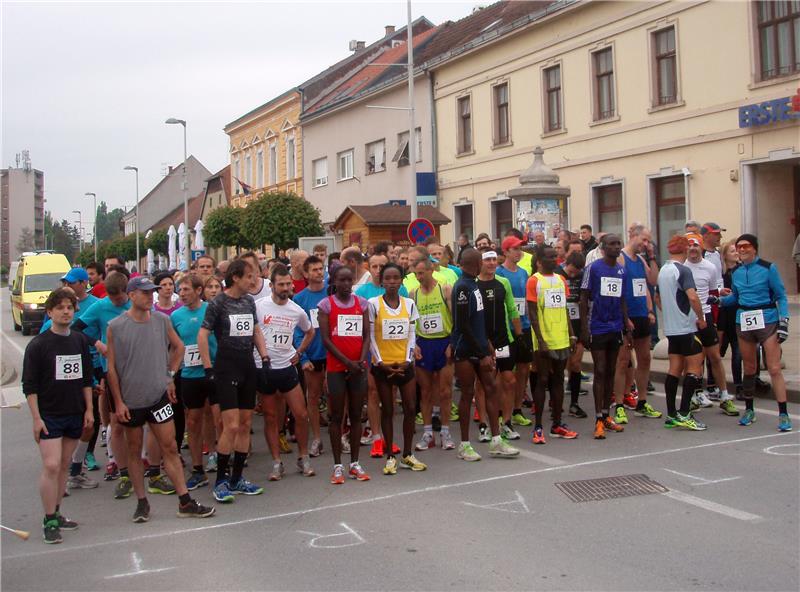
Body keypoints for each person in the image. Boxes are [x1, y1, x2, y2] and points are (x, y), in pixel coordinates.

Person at [106, 276, 215, 522]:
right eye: (144, 292)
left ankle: (185, 501)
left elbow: (179, 348)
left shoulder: (162, 320)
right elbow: (111, 367)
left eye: (151, 292)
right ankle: (142, 502)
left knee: (170, 447)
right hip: (132, 399)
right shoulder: (116, 326)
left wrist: (169, 376)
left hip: (158, 397)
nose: (149, 297)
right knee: (134, 449)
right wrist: (119, 402)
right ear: (132, 295)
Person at [23, 288, 94, 543]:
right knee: (51, 465)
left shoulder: (78, 340)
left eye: (69, 307)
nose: (66, 311)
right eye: (60, 307)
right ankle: (48, 519)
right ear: (50, 312)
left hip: (74, 411)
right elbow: (29, 386)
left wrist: (89, 410)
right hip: (49, 414)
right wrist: (36, 418)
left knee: (64, 465)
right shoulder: (39, 345)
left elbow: (86, 379)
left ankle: (58, 512)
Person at [198, 259, 270, 502]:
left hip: (247, 365)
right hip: (226, 367)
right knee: (230, 424)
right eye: (250, 276)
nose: (254, 281)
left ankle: (238, 478)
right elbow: (203, 334)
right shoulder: (219, 302)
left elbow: (256, 330)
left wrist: (264, 355)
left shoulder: (249, 301)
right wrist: (208, 367)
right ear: (236, 277)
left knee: (245, 422)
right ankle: (221, 480)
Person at [451, 248, 519, 461]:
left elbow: (478, 320)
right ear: (474, 264)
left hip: (481, 347)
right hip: (465, 350)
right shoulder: (462, 287)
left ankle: (496, 440)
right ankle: (464, 445)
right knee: (467, 394)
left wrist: (487, 344)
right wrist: (481, 353)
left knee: (491, 388)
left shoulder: (475, 285)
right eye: (481, 262)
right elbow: (462, 325)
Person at [71, 271, 133, 496]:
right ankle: (120, 467)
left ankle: (150, 467)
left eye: (119, 299)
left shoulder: (136, 303)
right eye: (112, 298)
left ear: (127, 292)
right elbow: (76, 329)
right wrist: (96, 342)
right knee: (117, 421)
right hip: (113, 371)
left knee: (143, 422)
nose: (116, 302)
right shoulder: (99, 307)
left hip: (138, 369)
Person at [721, 234, 791, 432]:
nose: (742, 250)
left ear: (755, 248)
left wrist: (784, 322)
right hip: (744, 320)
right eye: (739, 247)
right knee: (749, 367)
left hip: (767, 318)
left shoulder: (769, 268)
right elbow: (735, 297)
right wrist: (719, 301)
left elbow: (781, 296)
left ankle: (783, 413)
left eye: (746, 246)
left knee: (774, 368)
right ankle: (749, 410)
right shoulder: (737, 272)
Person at [256, 264, 316, 480]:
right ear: (271, 285)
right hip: (264, 368)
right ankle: (276, 462)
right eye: (280, 284)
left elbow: (309, 331)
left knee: (301, 414)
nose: (285, 287)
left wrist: (299, 351)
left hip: (287, 366)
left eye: (288, 284)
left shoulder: (295, 309)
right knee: (271, 417)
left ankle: (303, 458)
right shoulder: (259, 306)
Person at [368, 263, 427, 474]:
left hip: (405, 364)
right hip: (383, 365)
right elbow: (371, 337)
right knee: (388, 410)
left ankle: (407, 454)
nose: (392, 282)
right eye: (388, 278)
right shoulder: (373, 304)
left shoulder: (409, 304)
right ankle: (390, 456)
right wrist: (381, 361)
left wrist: (408, 359)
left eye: (396, 278)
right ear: (382, 281)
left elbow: (413, 334)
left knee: (411, 408)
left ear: (401, 280)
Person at [318, 266, 371, 484]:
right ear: (334, 281)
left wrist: (359, 360)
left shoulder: (362, 304)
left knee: (357, 415)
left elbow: (367, 335)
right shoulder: (326, 305)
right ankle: (337, 465)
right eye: (342, 280)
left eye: (350, 280)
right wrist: (347, 362)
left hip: (358, 367)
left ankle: (355, 463)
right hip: (337, 368)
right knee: (337, 416)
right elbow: (326, 340)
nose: (347, 284)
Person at [171, 274, 219, 491]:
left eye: (186, 289)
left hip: (213, 371)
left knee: (216, 417)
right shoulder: (175, 316)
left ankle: (217, 456)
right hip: (189, 374)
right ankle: (198, 469)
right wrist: (170, 375)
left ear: (199, 290)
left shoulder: (212, 310)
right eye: (180, 290)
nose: (182, 294)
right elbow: (172, 347)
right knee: (193, 420)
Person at [527, 246, 579, 443]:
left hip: (561, 339)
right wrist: (540, 339)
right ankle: (538, 426)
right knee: (541, 381)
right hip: (543, 341)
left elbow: (564, 309)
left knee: (558, 381)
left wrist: (572, 335)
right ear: (539, 261)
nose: (553, 260)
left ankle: (557, 424)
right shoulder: (534, 281)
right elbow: (532, 313)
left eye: (555, 257)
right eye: (548, 257)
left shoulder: (561, 280)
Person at [580, 234, 629, 439]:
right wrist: (584, 328)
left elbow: (622, 299)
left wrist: (627, 324)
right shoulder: (593, 268)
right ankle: (598, 419)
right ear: (603, 247)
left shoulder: (621, 270)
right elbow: (583, 298)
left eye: (619, 244)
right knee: (599, 370)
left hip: (615, 325)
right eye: (612, 244)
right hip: (597, 325)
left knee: (610, 370)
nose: (617, 247)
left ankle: (607, 415)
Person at [657, 235, 708, 431]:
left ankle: (671, 414)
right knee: (695, 367)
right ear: (685, 249)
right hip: (686, 327)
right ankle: (685, 412)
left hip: (671, 328)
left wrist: (669, 313)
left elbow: (658, 297)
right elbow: (693, 297)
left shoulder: (663, 270)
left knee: (674, 368)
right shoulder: (683, 270)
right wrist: (701, 317)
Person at [612, 224, 661, 424]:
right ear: (633, 236)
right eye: (644, 240)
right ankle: (619, 404)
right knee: (623, 361)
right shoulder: (621, 258)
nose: (646, 244)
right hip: (626, 316)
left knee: (645, 358)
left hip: (641, 314)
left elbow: (651, 282)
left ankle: (642, 402)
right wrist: (624, 318)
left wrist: (650, 310)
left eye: (649, 241)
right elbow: (616, 290)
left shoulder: (641, 259)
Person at [685, 234, 739, 416]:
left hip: (706, 316)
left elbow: (713, 293)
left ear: (701, 247)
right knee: (694, 360)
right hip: (689, 318)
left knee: (715, 357)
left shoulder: (709, 267)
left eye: (695, 246)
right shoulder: (682, 268)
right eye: (689, 246)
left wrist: (714, 320)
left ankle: (724, 396)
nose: (693, 249)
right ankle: (693, 396)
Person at [410, 257, 455, 451]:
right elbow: (411, 322)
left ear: (431, 271)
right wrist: (414, 345)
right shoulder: (414, 294)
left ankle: (445, 431)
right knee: (426, 392)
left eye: (422, 273)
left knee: (445, 392)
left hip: (443, 342)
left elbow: (455, 319)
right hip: (424, 344)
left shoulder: (445, 289)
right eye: (416, 274)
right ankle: (428, 433)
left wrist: (452, 342)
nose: (419, 277)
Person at [496, 235, 534, 428]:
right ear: (506, 252)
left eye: (520, 249)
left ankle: (518, 409)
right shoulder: (498, 273)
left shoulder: (524, 273)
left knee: (523, 370)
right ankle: (504, 411)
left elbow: (526, 300)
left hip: (523, 325)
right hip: (505, 329)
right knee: (505, 373)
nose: (519, 252)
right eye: (515, 249)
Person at [293, 256, 328, 457]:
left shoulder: (331, 292)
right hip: (312, 355)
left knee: (336, 395)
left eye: (320, 268)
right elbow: (297, 332)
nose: (318, 272)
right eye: (314, 270)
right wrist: (303, 358)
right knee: (313, 397)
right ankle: (316, 438)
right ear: (305, 274)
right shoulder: (299, 299)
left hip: (331, 354)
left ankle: (340, 434)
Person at [556, 251, 588, 418]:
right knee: (559, 365)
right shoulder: (557, 274)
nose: (573, 274)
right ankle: (556, 401)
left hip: (577, 323)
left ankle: (574, 404)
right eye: (571, 271)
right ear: (566, 264)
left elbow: (585, 301)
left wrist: (584, 327)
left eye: (577, 271)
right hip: (560, 325)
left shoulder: (583, 276)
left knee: (575, 364)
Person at [717, 240, 742, 392]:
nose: (736, 253)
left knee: (738, 352)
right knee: (718, 352)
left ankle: (739, 385)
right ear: (725, 255)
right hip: (723, 317)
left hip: (737, 316)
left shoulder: (741, 271)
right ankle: (713, 383)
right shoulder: (721, 274)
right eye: (733, 251)